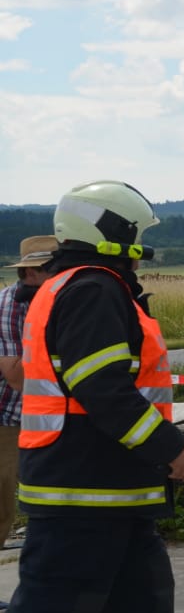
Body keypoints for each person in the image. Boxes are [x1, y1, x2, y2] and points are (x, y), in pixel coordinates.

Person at [0, 181, 184, 613]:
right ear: (110, 231)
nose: (141, 243)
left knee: (141, 604)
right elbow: (103, 390)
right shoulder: (92, 289)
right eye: (135, 231)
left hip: (111, 492)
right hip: (81, 493)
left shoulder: (83, 284)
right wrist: (173, 448)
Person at [0, 237, 59, 567]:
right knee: (1, 508)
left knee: (53, 503)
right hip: (6, 415)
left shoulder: (65, 300)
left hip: (45, 417)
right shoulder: (11, 305)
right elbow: (18, 378)